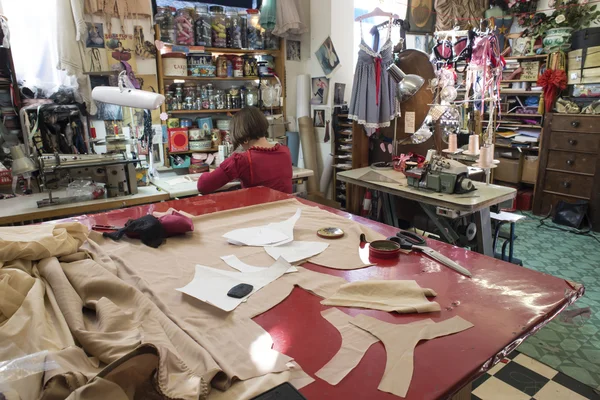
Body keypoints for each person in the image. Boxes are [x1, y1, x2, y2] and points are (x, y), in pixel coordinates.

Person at [197, 107, 293, 194]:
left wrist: (209, 173)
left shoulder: (242, 160)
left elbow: (203, 185)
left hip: (261, 212)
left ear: (245, 138)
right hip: (287, 211)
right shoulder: (285, 151)